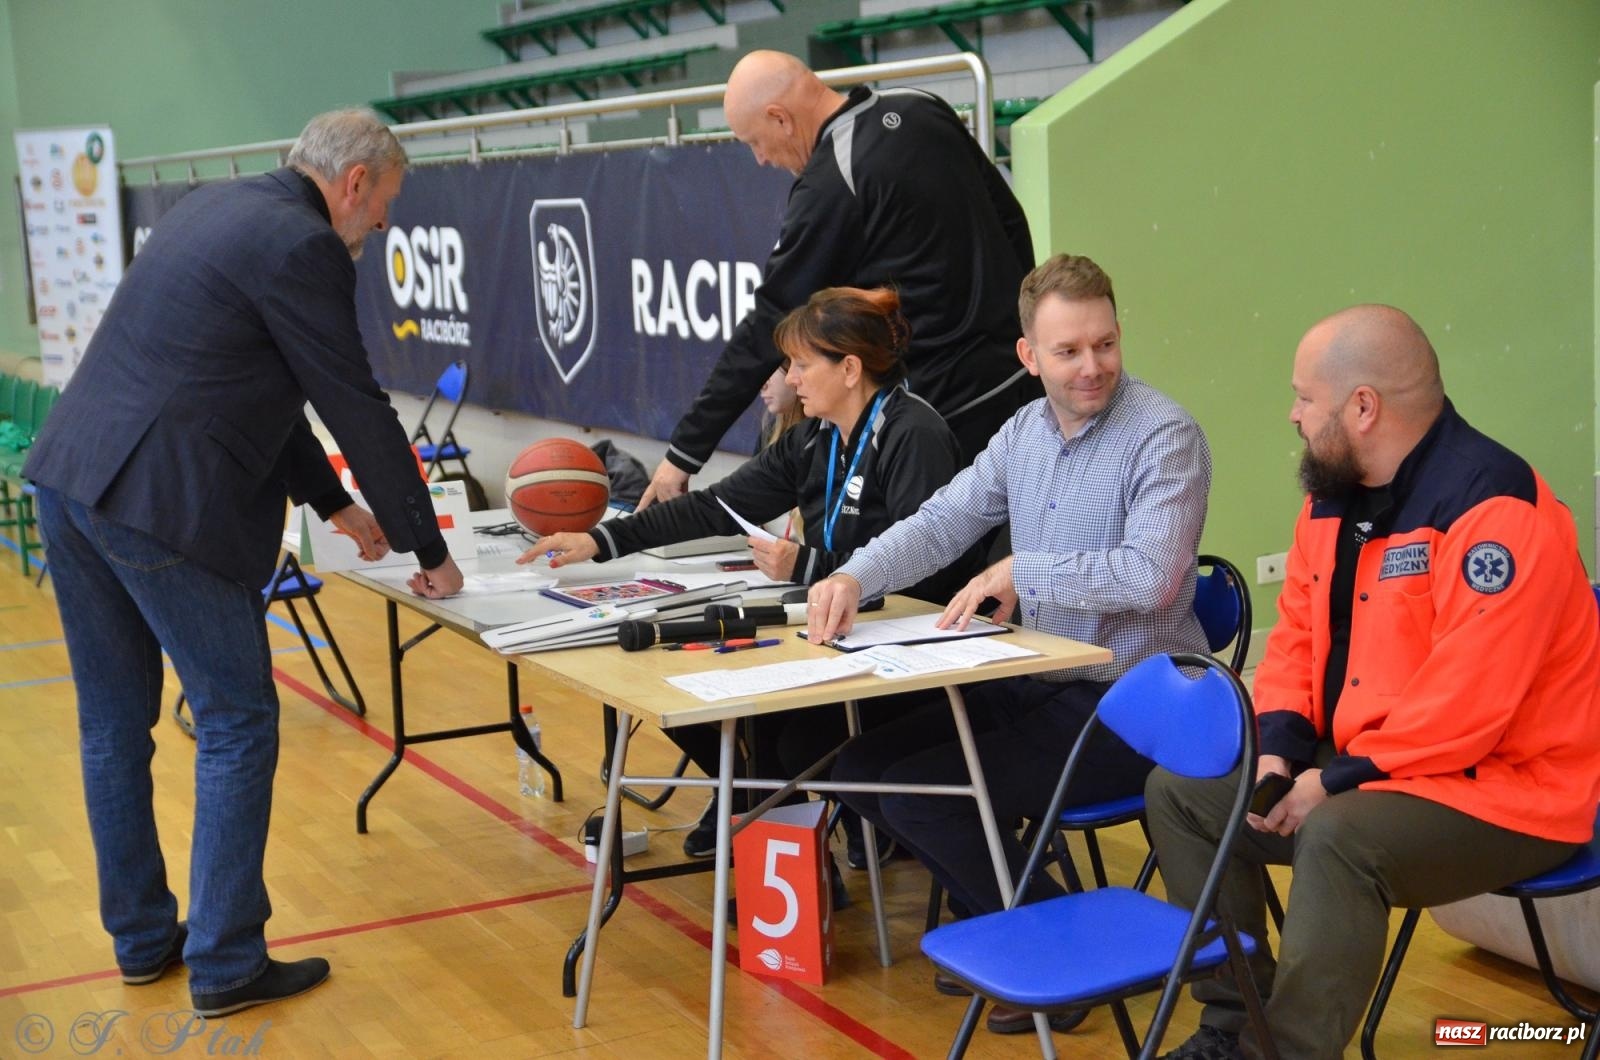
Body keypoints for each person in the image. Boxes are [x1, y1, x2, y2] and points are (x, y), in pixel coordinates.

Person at [24, 108, 465, 1018]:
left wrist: (335, 505)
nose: (381, 226)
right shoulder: (304, 249)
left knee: (113, 729)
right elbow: (354, 404)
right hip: (157, 507)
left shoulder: (210, 206)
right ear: (352, 185)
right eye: (383, 206)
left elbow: (254, 382)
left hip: (70, 478)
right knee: (236, 720)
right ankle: (226, 961)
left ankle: (145, 942)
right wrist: (433, 548)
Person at [1148, 305, 1600, 1060]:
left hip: (1508, 791)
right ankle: (1233, 1023)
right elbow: (1293, 640)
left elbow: (1469, 705)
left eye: (1304, 398)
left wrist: (1335, 782)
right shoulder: (1333, 496)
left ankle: (1283, 1053)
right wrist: (1278, 757)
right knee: (1181, 794)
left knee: (1336, 838)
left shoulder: (1496, 509)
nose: (1293, 415)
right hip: (1378, 767)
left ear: (1363, 407)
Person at [806, 253, 1212, 1033]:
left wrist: (1031, 568)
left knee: (914, 797)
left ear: (1120, 336)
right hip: (1034, 680)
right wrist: (856, 576)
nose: (1091, 366)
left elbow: (1154, 578)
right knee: (858, 769)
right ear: (1029, 357)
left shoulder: (1165, 437)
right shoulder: (1024, 431)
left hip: (1129, 706)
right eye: (1067, 351)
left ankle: (1060, 961)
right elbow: (942, 521)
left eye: (1104, 344)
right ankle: (1012, 924)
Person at [524, 287, 982, 860]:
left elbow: (933, 576)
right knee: (690, 700)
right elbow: (714, 505)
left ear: (849, 368)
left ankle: (799, 853)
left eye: (800, 364)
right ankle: (785, 851)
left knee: (775, 734)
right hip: (834, 637)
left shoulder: (913, 434)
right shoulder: (814, 437)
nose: (790, 379)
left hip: (907, 662)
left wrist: (808, 566)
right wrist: (600, 539)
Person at [639, 49, 1038, 508]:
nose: (761, 159)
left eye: (755, 141)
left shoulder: (829, 185)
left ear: (780, 118)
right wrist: (1024, 333)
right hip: (1015, 376)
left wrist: (682, 456)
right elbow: (1010, 218)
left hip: (943, 408)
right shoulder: (921, 106)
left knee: (939, 564)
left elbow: (768, 322)